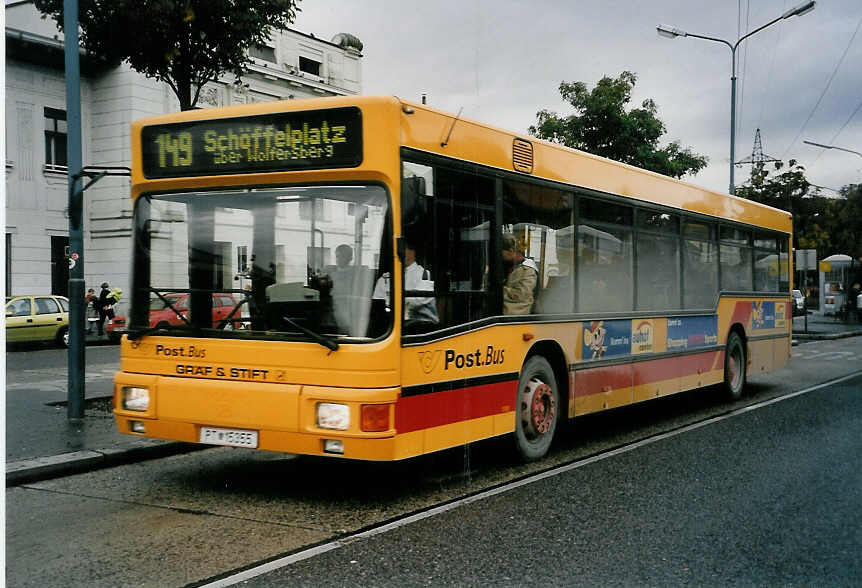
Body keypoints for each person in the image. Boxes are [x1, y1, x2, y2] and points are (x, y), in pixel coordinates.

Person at [373, 240, 438, 326]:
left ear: (412, 252)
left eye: (401, 250)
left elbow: (419, 301)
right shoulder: (385, 278)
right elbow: (377, 302)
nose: (396, 254)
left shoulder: (424, 274)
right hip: (389, 323)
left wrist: (391, 301)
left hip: (420, 325)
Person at [502, 233, 538, 315]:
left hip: (516, 317)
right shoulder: (508, 265)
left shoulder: (527, 269)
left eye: (501, 252)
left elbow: (521, 294)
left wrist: (497, 290)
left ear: (511, 251)